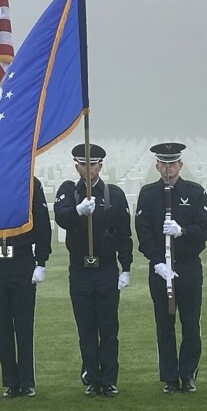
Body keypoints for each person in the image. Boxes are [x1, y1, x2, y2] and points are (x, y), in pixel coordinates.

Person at [53, 143, 134, 397]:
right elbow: (60, 216)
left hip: (106, 269)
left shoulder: (114, 195)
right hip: (80, 270)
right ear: (77, 166)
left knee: (108, 326)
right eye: (83, 164)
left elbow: (124, 234)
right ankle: (91, 377)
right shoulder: (69, 191)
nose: (88, 169)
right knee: (86, 327)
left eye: (93, 164)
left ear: (100, 166)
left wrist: (126, 267)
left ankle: (109, 379)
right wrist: (78, 211)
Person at [135, 142, 207, 394]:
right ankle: (169, 377)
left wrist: (183, 232)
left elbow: (205, 229)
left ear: (180, 165)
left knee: (190, 323)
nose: (168, 168)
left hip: (188, 266)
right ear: (157, 165)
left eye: (173, 163)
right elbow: (143, 231)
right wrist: (157, 261)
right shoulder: (148, 194)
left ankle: (188, 374)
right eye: (163, 163)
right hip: (161, 268)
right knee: (164, 323)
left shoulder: (194, 192)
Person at [0, 176, 52, 398]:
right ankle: (10, 381)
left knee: (23, 323)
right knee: (1, 324)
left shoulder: (30, 182)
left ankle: (26, 380)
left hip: (21, 258)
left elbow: (42, 222)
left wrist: (41, 261)